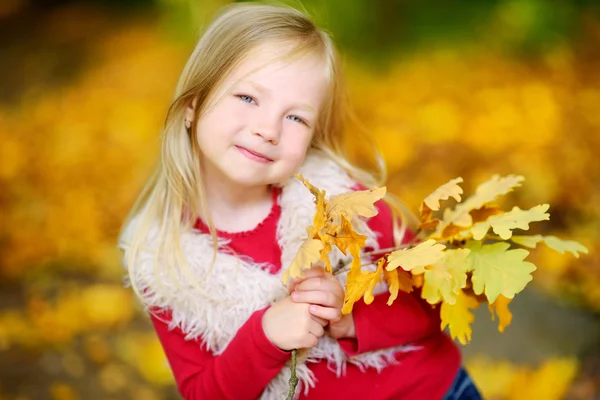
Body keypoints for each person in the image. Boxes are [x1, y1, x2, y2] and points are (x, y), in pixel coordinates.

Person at [118, 3, 482, 399]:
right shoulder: (165, 263)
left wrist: (351, 317)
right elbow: (204, 393)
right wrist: (265, 337)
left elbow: (436, 296)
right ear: (193, 104)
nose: (268, 129)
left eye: (296, 118)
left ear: (313, 134)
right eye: (246, 97)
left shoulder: (340, 200)